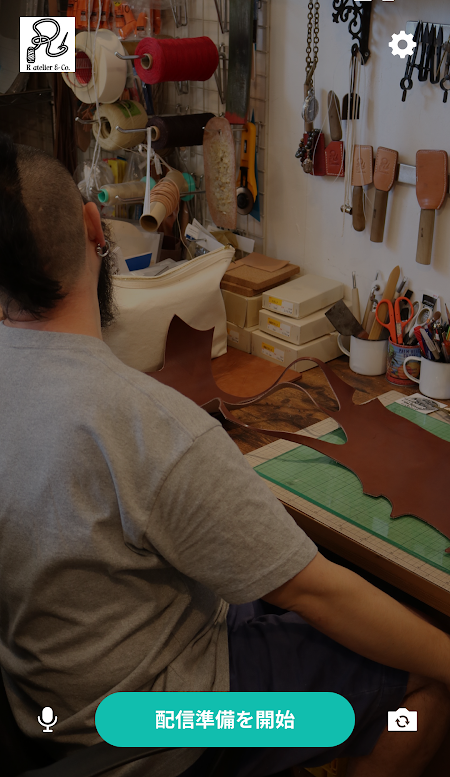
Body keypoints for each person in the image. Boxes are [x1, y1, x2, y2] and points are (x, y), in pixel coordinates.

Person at [0, 133, 449, 777]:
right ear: (95, 229)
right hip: (157, 728)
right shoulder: (150, 425)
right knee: (419, 684)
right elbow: (317, 593)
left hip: (47, 705)